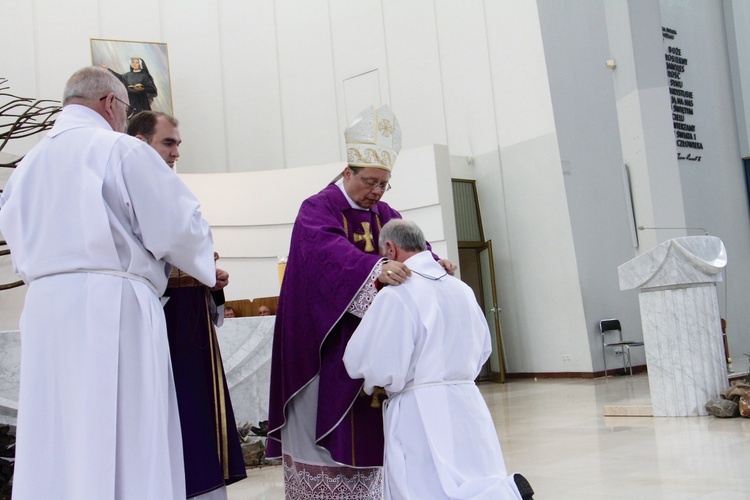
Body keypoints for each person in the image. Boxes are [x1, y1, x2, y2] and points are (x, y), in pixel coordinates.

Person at [0, 66, 216, 499]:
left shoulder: (25, 168)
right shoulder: (120, 149)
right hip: (112, 303)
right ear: (109, 103)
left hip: (44, 307)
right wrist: (199, 256)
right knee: (125, 426)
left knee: (58, 427)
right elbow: (180, 227)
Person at [266, 104, 456, 498]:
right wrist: (374, 270)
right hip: (326, 345)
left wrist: (435, 262)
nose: (376, 192)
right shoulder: (317, 208)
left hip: (376, 350)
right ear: (347, 172)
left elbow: (411, 248)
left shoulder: (384, 212)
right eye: (370, 181)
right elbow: (326, 254)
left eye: (384, 184)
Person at [344, 219, 535, 500]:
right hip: (469, 402)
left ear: (389, 248)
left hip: (419, 409)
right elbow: (484, 347)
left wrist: (375, 381)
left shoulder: (397, 294)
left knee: (424, 487)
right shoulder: (462, 290)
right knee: (476, 474)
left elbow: (374, 364)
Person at [127, 110, 247, 499]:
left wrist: (211, 283)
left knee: (198, 419)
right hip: (158, 320)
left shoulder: (169, 188)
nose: (176, 152)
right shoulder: (131, 187)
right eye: (168, 142)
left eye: (178, 143)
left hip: (189, 322)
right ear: (141, 142)